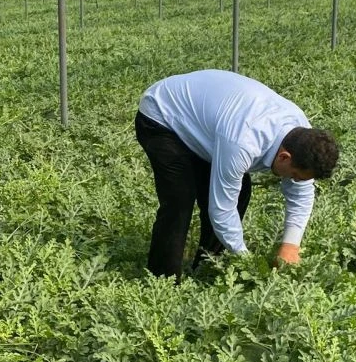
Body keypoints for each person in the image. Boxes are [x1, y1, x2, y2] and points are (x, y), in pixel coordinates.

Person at [134, 69, 339, 278]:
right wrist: (247, 262)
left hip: (208, 122)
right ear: (284, 157)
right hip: (162, 114)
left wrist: (290, 246)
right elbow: (222, 210)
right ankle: (163, 280)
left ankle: (208, 268)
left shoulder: (303, 135)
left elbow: (301, 193)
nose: (294, 181)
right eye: (294, 175)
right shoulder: (243, 141)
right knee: (180, 198)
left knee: (239, 191)